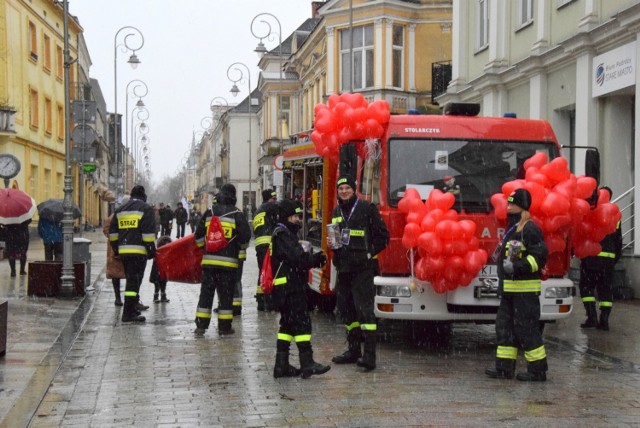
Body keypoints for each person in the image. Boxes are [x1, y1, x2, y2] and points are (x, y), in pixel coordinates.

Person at [485, 188, 549, 382]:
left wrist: (517, 267)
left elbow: (539, 257)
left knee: (527, 330)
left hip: (525, 292)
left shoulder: (530, 229)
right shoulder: (513, 229)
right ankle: (504, 368)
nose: (508, 206)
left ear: (521, 206)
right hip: (510, 292)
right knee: (504, 328)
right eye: (508, 203)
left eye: (512, 203)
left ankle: (538, 371)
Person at [329, 175, 390, 371]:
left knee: (365, 312)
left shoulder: (366, 208)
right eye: (341, 189)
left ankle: (369, 357)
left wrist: (369, 253)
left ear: (354, 190)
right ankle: (353, 350)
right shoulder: (336, 211)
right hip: (344, 268)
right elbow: (336, 239)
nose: (344, 191)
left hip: (363, 269)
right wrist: (333, 247)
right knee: (347, 310)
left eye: (347, 188)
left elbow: (383, 236)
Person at [271, 199, 330, 378]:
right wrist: (316, 259)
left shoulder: (282, 232)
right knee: (302, 323)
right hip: (290, 288)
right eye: (296, 216)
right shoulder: (283, 234)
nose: (298, 219)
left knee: (287, 325)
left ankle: (281, 365)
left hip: (286, 287)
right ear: (288, 216)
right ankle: (307, 363)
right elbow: (298, 259)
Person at [193, 183, 250, 336]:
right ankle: (224, 327)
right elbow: (245, 238)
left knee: (206, 294)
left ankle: (200, 326)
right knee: (225, 296)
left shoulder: (210, 212)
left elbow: (198, 236)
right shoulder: (237, 213)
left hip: (209, 263)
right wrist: (236, 247)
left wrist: (205, 247)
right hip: (228, 264)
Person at [109, 185, 156, 323]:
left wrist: (117, 249)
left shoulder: (121, 209)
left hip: (124, 251)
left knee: (131, 280)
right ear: (143, 196)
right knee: (134, 282)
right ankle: (128, 314)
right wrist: (151, 251)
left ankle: (132, 308)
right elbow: (148, 234)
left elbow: (112, 234)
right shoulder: (145, 209)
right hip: (138, 252)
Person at [579, 186, 623, 331]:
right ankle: (604, 320)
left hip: (591, 256)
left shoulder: (590, 210)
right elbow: (618, 240)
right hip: (608, 258)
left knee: (587, 287)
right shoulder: (615, 214)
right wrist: (614, 258)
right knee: (605, 289)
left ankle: (591, 317)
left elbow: (583, 232)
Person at [253, 188, 278, 311]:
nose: (275, 201)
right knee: (269, 272)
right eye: (273, 199)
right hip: (268, 245)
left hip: (259, 245)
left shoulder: (258, 211)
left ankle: (261, 300)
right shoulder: (269, 207)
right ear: (269, 199)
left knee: (262, 272)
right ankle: (268, 302)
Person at [103, 212, 126, 306]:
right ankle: (118, 298)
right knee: (115, 274)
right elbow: (106, 230)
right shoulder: (115, 216)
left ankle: (130, 299)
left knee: (130, 274)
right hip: (115, 248)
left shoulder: (115, 215)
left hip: (123, 246)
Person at [150, 235, 172, 303]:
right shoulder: (157, 253)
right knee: (159, 283)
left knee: (162, 282)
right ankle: (158, 296)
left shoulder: (161, 253)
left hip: (161, 272)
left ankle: (161, 296)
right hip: (158, 272)